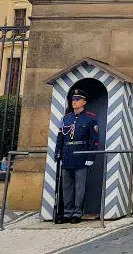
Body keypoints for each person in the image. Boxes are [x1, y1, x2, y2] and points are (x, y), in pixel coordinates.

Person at [54, 89, 99, 223]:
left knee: (80, 187)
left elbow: (94, 139)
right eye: (73, 100)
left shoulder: (90, 118)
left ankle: (77, 213)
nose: (74, 102)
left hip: (81, 155)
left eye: (77, 100)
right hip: (67, 154)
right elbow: (60, 137)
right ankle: (67, 212)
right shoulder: (66, 118)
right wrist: (58, 152)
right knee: (66, 186)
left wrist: (90, 157)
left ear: (84, 102)